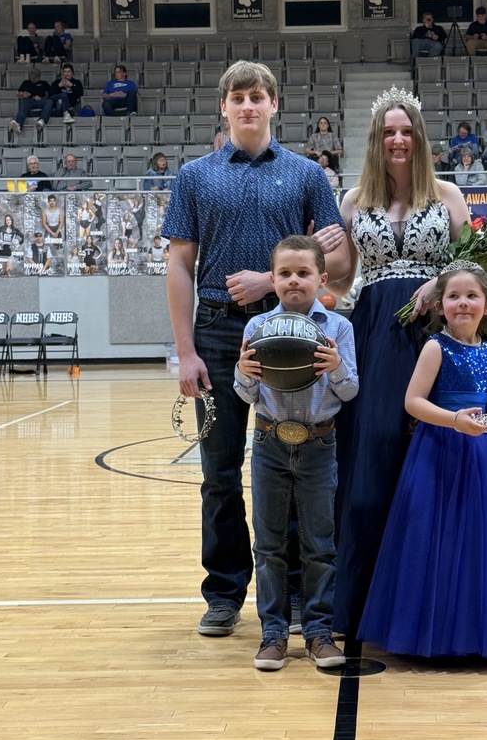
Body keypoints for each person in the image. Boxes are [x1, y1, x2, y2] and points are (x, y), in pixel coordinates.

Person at [162, 59, 349, 638]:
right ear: (223, 107)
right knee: (219, 471)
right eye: (237, 97)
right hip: (218, 332)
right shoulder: (194, 176)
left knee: (292, 461)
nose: (247, 105)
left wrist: (270, 280)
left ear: (274, 105)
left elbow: (336, 261)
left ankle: (291, 592)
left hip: (289, 332)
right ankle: (224, 592)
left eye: (257, 96)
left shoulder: (307, 174)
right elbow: (179, 265)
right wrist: (185, 351)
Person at [357, 263, 487, 659]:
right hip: (440, 452)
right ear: (440, 305)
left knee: (484, 539)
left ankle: (480, 631)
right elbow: (413, 402)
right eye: (453, 296)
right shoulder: (435, 347)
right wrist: (454, 420)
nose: (462, 303)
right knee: (439, 538)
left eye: (471, 296)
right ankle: (439, 633)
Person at [328, 86, 470, 637]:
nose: (398, 140)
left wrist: (442, 282)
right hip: (374, 332)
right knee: (373, 457)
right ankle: (365, 603)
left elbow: (474, 270)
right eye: (389, 131)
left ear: (420, 138)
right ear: (376, 139)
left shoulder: (449, 196)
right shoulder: (352, 201)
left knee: (432, 456)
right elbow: (343, 278)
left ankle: (437, 603)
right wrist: (316, 267)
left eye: (407, 131)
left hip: (433, 335)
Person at [234, 235, 359, 671]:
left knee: (318, 544)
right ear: (271, 280)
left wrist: (336, 368)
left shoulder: (338, 328)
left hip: (319, 444)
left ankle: (319, 633)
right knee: (269, 544)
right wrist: (243, 373)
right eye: (284, 273)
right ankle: (273, 634)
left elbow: (350, 391)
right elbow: (246, 395)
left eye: (303, 273)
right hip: (269, 442)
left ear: (321, 278)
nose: (293, 280)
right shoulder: (256, 328)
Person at [8, 69, 53, 138]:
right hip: (29, 100)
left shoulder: (44, 83)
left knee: (49, 102)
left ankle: (42, 120)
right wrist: (23, 95)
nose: (32, 78)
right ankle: (19, 124)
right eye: (31, 76)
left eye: (34, 76)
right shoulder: (25, 83)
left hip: (41, 100)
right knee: (23, 102)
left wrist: (42, 98)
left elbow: (49, 94)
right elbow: (19, 94)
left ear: (38, 77)